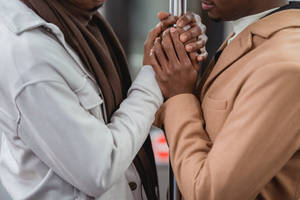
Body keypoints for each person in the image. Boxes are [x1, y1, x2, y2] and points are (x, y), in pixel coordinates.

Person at [0, 0, 208, 199]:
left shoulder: (80, 22)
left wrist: (171, 47)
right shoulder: (27, 53)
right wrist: (156, 73)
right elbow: (99, 169)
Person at [151, 0, 300, 199]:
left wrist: (179, 95)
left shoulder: (283, 65)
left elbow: (210, 193)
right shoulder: (251, 37)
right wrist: (171, 64)